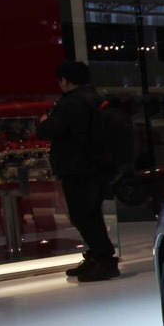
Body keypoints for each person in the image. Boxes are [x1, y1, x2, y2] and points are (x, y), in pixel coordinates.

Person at [35, 61, 120, 282]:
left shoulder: (70, 103)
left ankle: (104, 261)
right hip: (97, 165)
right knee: (90, 214)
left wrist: (44, 122)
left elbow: (47, 130)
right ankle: (97, 256)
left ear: (64, 80)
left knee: (84, 215)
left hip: (78, 168)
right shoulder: (95, 98)